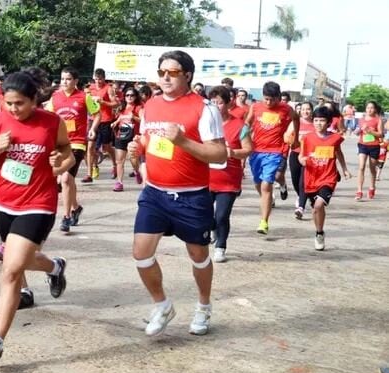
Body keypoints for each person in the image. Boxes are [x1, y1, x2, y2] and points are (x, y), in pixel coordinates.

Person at [0, 70, 74, 363]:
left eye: (20, 103)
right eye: (9, 103)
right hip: (6, 204)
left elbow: (68, 152)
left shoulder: (52, 121)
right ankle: (54, 268)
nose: (14, 109)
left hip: (39, 203)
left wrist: (60, 160)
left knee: (12, 269)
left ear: (34, 100)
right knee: (21, 259)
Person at [127, 51, 226, 337]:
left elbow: (219, 154)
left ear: (188, 76)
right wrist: (138, 150)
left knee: (198, 257)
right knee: (140, 254)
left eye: (172, 72)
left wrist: (182, 140)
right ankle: (163, 305)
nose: (166, 77)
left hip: (192, 197)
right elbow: (148, 143)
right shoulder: (151, 105)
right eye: (161, 72)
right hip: (155, 193)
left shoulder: (204, 108)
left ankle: (204, 306)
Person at [245, 81, 298, 235]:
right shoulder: (255, 107)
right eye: (266, 99)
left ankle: (264, 222)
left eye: (272, 100)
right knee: (258, 183)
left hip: (275, 151)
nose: (268, 103)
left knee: (266, 185)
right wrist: (243, 137)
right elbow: (247, 123)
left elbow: (296, 119)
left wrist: (294, 138)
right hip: (256, 151)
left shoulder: (286, 108)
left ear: (278, 98)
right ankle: (267, 199)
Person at [208, 86, 252, 263]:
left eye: (219, 103)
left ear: (228, 103)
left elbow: (248, 149)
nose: (215, 106)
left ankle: (220, 246)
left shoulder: (240, 126)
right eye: (212, 103)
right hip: (206, 177)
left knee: (222, 215)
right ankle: (213, 229)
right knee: (204, 214)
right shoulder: (205, 124)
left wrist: (233, 153)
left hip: (228, 180)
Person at [52, 67, 98, 233]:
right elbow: (48, 117)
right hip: (59, 144)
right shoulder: (55, 97)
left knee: (64, 179)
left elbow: (97, 113)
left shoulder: (84, 97)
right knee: (66, 181)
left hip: (77, 143)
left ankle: (66, 217)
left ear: (76, 81)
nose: (65, 82)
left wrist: (92, 128)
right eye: (63, 78)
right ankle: (76, 207)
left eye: (69, 79)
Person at [298, 107, 351, 250]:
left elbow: (338, 153)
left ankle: (319, 234)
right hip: (311, 177)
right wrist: (303, 160)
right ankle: (319, 232)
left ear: (328, 123)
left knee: (319, 205)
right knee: (315, 210)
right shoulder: (307, 138)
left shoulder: (335, 138)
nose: (318, 123)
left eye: (322, 121)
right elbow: (301, 155)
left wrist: (345, 169)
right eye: (316, 120)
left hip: (328, 177)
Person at [83, 68, 117, 183]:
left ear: (104, 78)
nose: (98, 81)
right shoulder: (90, 88)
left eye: (100, 79)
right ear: (94, 78)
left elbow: (115, 103)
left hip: (105, 120)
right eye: (96, 79)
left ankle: (114, 165)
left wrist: (103, 102)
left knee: (107, 147)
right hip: (93, 120)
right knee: (90, 146)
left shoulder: (109, 88)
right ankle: (89, 173)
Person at [110, 87, 142, 192]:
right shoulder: (122, 107)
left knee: (133, 158)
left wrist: (134, 118)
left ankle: (137, 171)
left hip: (133, 136)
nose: (129, 97)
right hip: (121, 135)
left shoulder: (138, 108)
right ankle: (119, 182)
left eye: (132, 95)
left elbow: (143, 121)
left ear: (136, 96)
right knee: (119, 160)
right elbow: (120, 117)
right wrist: (115, 123)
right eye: (127, 95)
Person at [290, 102, 314, 219]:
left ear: (312, 111)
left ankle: (301, 207)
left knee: (303, 182)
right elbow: (286, 136)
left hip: (308, 157)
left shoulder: (316, 124)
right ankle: (302, 196)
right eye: (303, 109)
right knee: (295, 180)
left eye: (308, 109)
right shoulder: (295, 122)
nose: (305, 111)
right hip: (295, 154)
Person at [354, 101, 383, 200]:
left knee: (372, 168)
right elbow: (358, 131)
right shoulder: (361, 119)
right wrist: (357, 131)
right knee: (361, 166)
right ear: (365, 109)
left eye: (372, 108)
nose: (369, 110)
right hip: (362, 145)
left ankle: (372, 187)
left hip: (374, 146)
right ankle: (359, 191)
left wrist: (371, 131)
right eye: (368, 108)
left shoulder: (378, 120)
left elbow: (380, 134)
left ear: (375, 109)